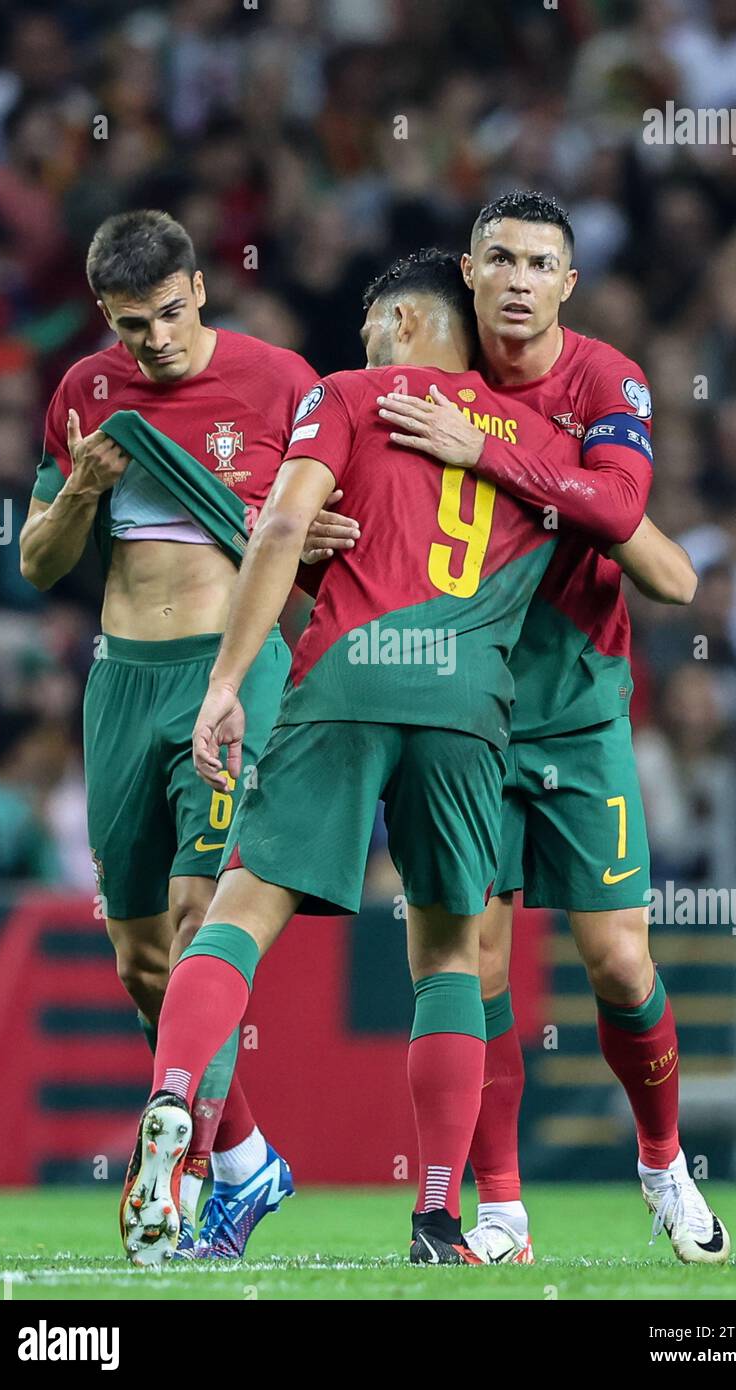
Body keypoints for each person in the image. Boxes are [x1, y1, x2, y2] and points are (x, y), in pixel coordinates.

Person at [119, 247, 587, 1267]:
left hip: (345, 676)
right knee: (450, 957)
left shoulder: (349, 394)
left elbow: (285, 521)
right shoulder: (541, 438)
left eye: (379, 321)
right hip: (467, 703)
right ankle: (434, 1215)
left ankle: (171, 1107)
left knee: (241, 910)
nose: (365, 339)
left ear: (415, 326)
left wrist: (228, 682)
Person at [379, 192, 729, 1266]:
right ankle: (500, 1209)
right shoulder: (434, 376)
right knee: (475, 963)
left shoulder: (605, 381)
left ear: (567, 283)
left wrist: (483, 451)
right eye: (501, 259)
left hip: (579, 710)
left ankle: (663, 1161)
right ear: (470, 275)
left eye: (541, 261)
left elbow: (622, 509)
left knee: (619, 962)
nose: (521, 278)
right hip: (464, 718)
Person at [19, 208, 319, 1256]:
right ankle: (246, 1161)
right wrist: (83, 493)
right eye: (130, 325)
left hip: (228, 680)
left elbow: (340, 528)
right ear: (105, 315)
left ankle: (181, 1176)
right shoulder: (85, 395)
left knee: (202, 918)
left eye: (169, 316)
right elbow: (40, 562)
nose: (155, 342)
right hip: (120, 683)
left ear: (201, 285)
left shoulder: (281, 381)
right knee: (143, 956)